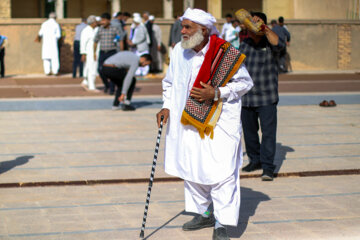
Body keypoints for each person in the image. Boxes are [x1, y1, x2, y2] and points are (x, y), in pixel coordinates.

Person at [156, 8, 253, 240]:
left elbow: (245, 83)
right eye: (183, 26)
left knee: (222, 172)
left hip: (217, 124)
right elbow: (169, 83)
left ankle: (221, 222)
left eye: (188, 27)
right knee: (190, 167)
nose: (183, 31)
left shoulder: (225, 54)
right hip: (185, 123)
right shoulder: (180, 51)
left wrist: (216, 92)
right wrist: (166, 106)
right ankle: (204, 212)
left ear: (204, 30)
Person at [239, 12, 285, 181]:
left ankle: (267, 167)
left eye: (256, 23)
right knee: (249, 133)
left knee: (268, 134)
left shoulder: (270, 42)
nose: (252, 26)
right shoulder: (244, 44)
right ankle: (255, 160)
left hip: (267, 97)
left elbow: (279, 45)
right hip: (247, 98)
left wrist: (264, 28)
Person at [94, 12, 123, 94]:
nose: (102, 22)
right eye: (101, 20)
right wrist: (94, 52)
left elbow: (120, 40)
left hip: (112, 52)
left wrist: (121, 52)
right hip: (102, 52)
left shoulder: (114, 29)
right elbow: (95, 41)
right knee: (100, 70)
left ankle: (112, 89)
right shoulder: (100, 29)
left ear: (109, 20)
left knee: (112, 71)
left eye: (104, 20)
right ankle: (107, 85)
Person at [80, 15, 99, 91]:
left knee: (91, 68)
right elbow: (83, 43)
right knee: (92, 69)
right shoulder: (86, 30)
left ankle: (85, 82)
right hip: (89, 53)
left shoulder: (95, 30)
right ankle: (92, 86)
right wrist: (83, 54)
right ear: (92, 22)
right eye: (95, 22)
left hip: (95, 52)